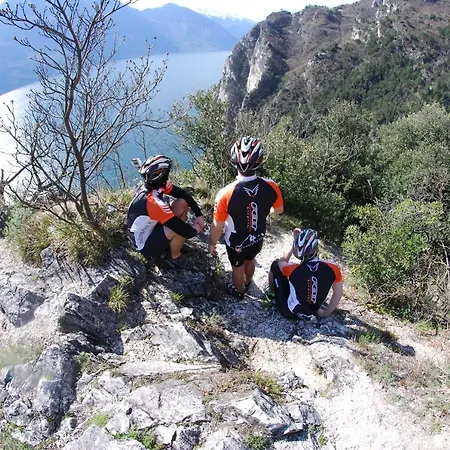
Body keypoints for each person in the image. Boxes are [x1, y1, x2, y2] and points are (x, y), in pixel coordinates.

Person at [209, 136, 284, 299]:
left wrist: (212, 243)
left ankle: (239, 291)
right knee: (251, 259)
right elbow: (278, 210)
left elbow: (217, 225)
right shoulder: (272, 186)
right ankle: (248, 281)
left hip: (236, 240)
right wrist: (264, 211)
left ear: (234, 162)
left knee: (237, 268)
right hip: (258, 235)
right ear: (259, 161)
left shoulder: (225, 193)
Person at [127, 155, 205, 267]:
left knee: (182, 203)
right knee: (177, 228)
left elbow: (182, 194)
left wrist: (199, 214)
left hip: (150, 227)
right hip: (144, 245)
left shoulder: (154, 186)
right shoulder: (154, 203)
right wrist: (196, 229)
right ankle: (175, 257)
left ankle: (172, 243)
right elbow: (183, 230)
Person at [267, 228, 343, 319]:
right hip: (313, 311)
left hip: (289, 312)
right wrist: (326, 313)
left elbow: (282, 260)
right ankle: (316, 308)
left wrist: (294, 241)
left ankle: (271, 293)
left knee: (275, 265)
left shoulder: (292, 269)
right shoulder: (334, 269)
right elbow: (338, 293)